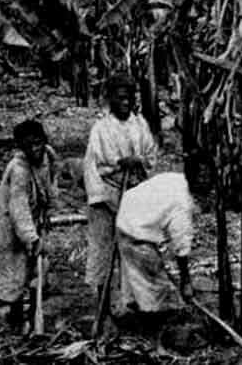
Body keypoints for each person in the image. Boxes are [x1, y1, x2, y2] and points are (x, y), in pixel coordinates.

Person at [84, 74, 158, 304]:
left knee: (133, 247)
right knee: (103, 248)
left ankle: (132, 300)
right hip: (106, 192)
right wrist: (119, 163)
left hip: (132, 191)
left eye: (129, 98)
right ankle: (102, 300)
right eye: (121, 98)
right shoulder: (101, 128)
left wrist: (139, 161)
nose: (126, 102)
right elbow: (97, 163)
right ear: (111, 100)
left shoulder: (140, 124)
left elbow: (150, 154)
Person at [0, 119, 56, 330]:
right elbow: (18, 207)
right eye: (29, 146)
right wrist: (30, 236)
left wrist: (48, 210)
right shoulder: (18, 170)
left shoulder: (48, 156)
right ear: (21, 146)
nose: (35, 149)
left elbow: (50, 183)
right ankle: (16, 315)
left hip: (36, 215)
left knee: (37, 267)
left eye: (38, 143)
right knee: (16, 268)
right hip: (12, 223)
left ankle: (34, 311)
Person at [114, 171, 196, 318]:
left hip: (127, 215)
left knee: (135, 279)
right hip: (138, 230)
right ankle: (152, 323)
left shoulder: (178, 178)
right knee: (156, 289)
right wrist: (186, 281)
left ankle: (134, 313)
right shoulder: (183, 204)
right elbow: (181, 246)